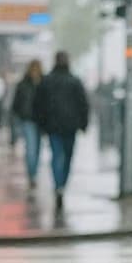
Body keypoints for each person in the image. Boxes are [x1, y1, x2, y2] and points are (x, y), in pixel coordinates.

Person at [32, 51, 89, 211]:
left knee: (57, 155)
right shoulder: (74, 81)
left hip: (53, 126)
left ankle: (58, 185)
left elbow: (38, 105)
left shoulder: (47, 81)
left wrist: (41, 124)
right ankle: (62, 184)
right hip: (70, 126)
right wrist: (83, 124)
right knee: (68, 156)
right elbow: (83, 104)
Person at [11, 60, 44, 189]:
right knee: (31, 148)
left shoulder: (43, 83)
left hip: (40, 121)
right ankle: (32, 175)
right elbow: (16, 103)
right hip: (27, 120)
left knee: (37, 149)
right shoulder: (23, 84)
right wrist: (19, 116)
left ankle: (33, 172)